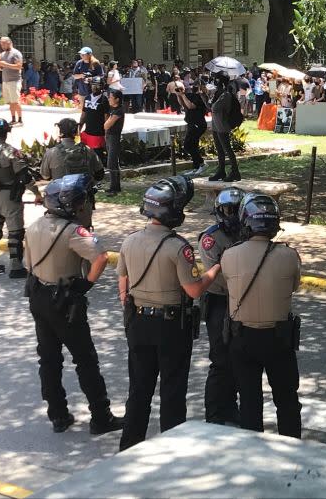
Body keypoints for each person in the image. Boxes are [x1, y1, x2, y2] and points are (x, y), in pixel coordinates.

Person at [117, 176, 217, 451]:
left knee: (139, 390)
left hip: (138, 322)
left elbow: (122, 287)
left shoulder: (129, 241)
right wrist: (214, 272)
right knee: (172, 391)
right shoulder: (178, 247)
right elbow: (194, 290)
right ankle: (170, 453)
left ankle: (128, 448)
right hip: (170, 327)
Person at [24, 174, 123, 435]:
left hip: (38, 296)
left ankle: (57, 415)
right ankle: (100, 416)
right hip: (64, 300)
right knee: (85, 360)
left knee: (49, 359)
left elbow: (28, 264)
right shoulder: (72, 232)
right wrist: (87, 284)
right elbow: (100, 257)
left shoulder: (34, 226)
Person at [205, 193, 303, 437]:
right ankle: (293, 448)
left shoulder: (229, 255)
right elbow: (294, 286)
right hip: (279, 338)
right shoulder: (290, 256)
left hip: (243, 338)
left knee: (249, 400)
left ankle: (252, 450)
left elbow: (229, 286)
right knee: (287, 400)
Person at [197, 187, 243, 425]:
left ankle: (230, 406)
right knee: (220, 358)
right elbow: (220, 276)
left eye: (236, 210)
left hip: (241, 301)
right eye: (228, 210)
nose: (232, 215)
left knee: (237, 357)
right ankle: (214, 412)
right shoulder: (210, 238)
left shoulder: (248, 232)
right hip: (219, 301)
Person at [0, 119, 41, 279]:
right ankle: (16, 267)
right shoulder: (11, 152)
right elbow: (24, 176)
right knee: (15, 233)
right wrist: (37, 193)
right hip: (9, 198)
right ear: (6, 132)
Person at [40, 118, 104, 228]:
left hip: (59, 204)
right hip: (83, 203)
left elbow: (45, 176)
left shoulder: (51, 152)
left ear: (60, 132)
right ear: (76, 132)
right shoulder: (87, 150)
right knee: (83, 236)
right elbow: (100, 173)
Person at [209, 72, 241, 182]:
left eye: (217, 81)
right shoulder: (219, 93)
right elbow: (210, 107)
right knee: (219, 150)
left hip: (222, 125)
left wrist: (212, 101)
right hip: (215, 124)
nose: (215, 83)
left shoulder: (226, 94)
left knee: (227, 149)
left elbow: (215, 108)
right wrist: (204, 94)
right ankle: (221, 171)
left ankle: (235, 172)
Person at [175, 81, 209, 175]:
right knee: (193, 145)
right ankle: (196, 167)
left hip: (198, 124)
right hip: (191, 123)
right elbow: (184, 104)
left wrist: (183, 95)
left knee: (188, 145)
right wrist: (179, 95)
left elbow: (190, 106)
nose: (193, 87)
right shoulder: (191, 95)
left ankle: (201, 163)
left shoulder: (201, 97)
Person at [78, 78, 108, 158]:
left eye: (97, 85)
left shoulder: (104, 100)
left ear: (101, 87)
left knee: (96, 157)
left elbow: (106, 118)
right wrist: (79, 128)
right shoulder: (87, 98)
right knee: (85, 155)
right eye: (93, 85)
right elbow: (83, 114)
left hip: (98, 134)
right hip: (87, 132)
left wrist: (106, 134)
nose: (95, 87)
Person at [0, 36, 23, 126]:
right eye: (1, 44)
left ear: (9, 42)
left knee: (15, 101)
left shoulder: (16, 53)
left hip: (14, 80)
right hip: (5, 80)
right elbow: (1, 67)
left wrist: (6, 65)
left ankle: (20, 120)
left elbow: (19, 66)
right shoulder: (3, 54)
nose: (2, 46)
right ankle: (13, 119)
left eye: (3, 43)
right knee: (10, 102)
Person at [103, 88, 125, 196]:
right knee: (113, 163)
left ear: (117, 99)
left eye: (111, 97)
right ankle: (114, 186)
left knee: (111, 163)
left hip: (114, 137)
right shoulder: (112, 109)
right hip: (109, 136)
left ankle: (115, 188)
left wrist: (108, 120)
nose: (109, 99)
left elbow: (106, 125)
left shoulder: (118, 111)